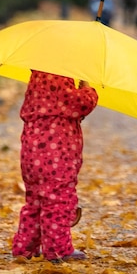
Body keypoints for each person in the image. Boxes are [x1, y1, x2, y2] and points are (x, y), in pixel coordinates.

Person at [12, 70, 98, 261]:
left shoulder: (38, 77)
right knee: (58, 200)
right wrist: (88, 87)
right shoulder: (57, 74)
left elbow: (60, 106)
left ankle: (24, 248)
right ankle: (59, 249)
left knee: (35, 201)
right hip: (56, 155)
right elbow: (81, 103)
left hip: (32, 154)